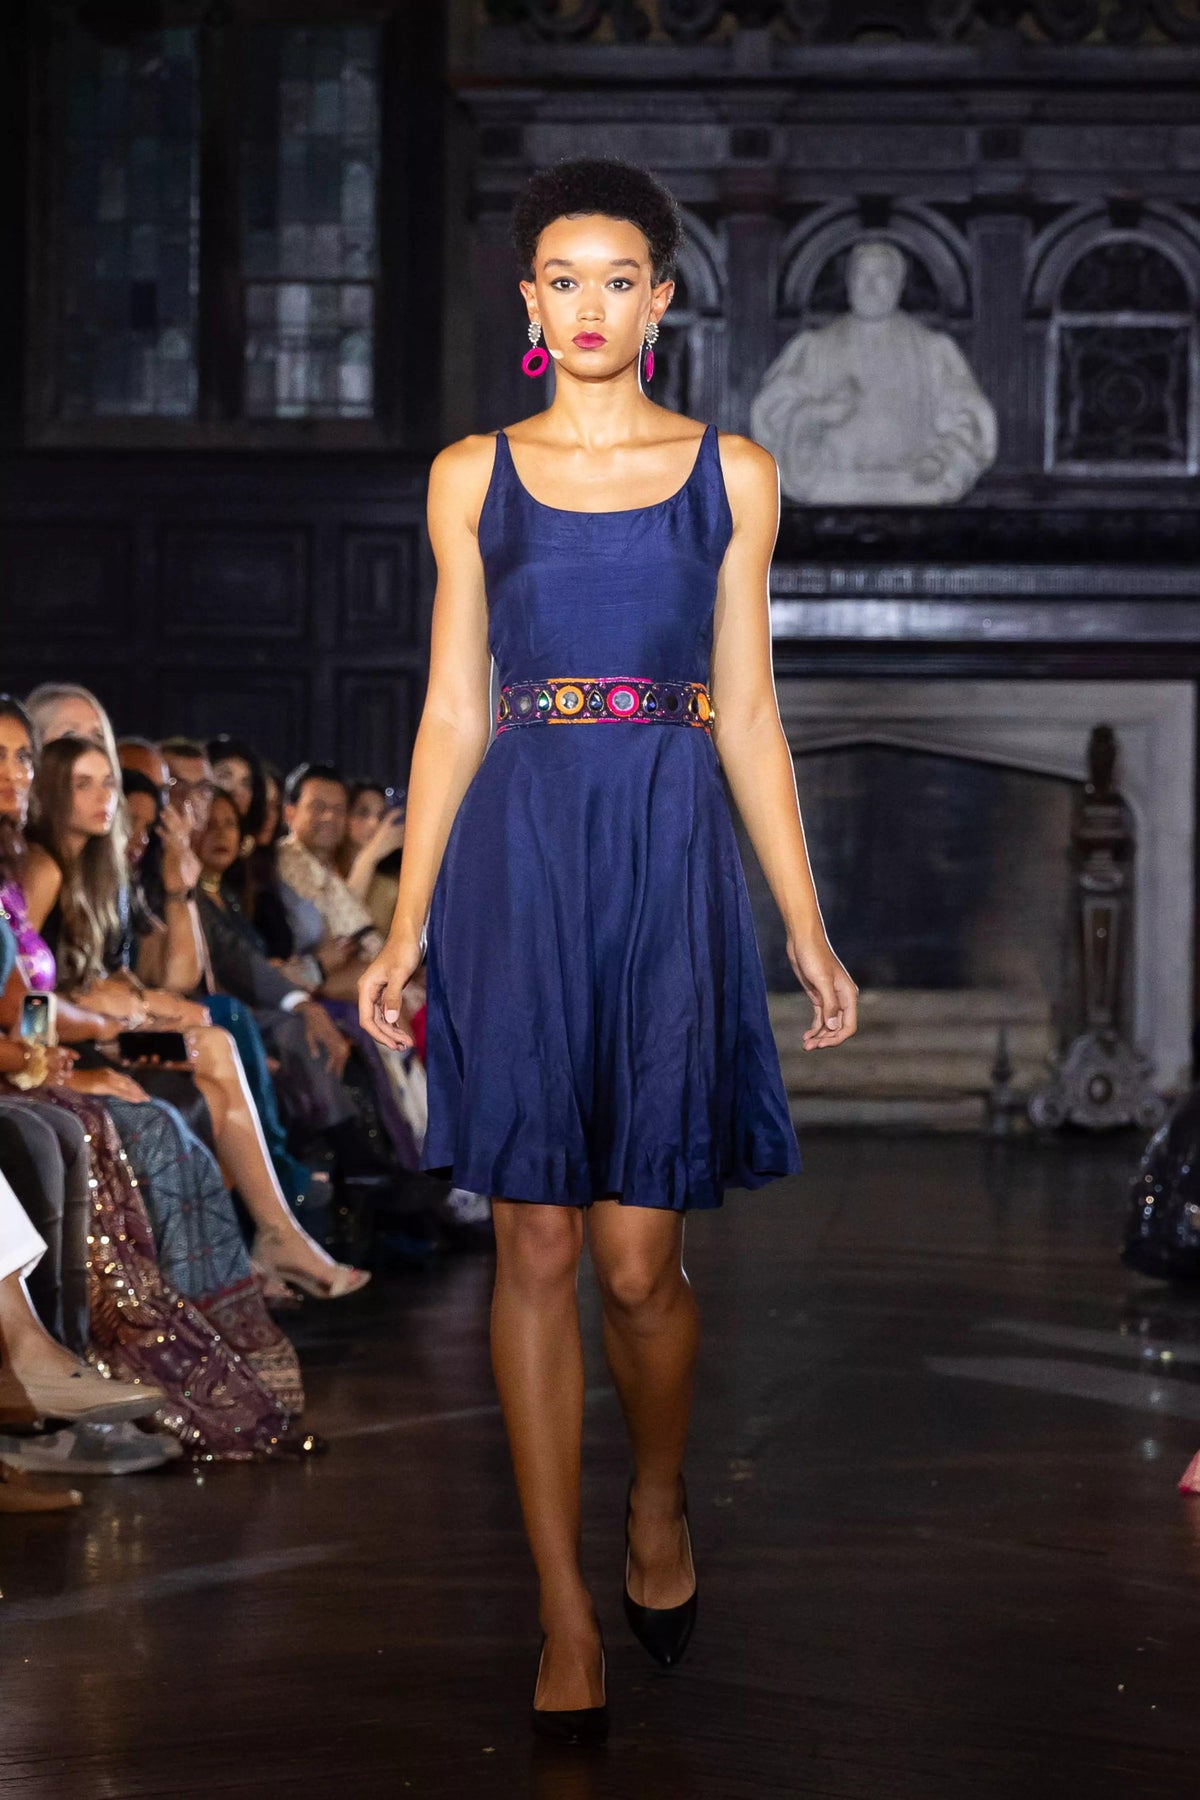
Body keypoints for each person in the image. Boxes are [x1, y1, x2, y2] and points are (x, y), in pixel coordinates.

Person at [358, 157, 858, 1742]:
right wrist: (404, 921)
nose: (589, 304)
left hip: (665, 846)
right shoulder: (469, 476)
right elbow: (452, 710)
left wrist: (807, 925)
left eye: (617, 278)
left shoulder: (734, 474)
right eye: (561, 278)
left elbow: (752, 715)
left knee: (642, 1264)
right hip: (518, 857)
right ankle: (563, 1613)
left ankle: (655, 1497)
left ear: (661, 299)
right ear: (531, 301)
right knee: (537, 1244)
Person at [338, 780, 407, 939]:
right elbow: (342, 923)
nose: (374, 823)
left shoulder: (392, 885)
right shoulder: (326, 871)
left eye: (381, 816)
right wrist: (370, 856)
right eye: (363, 813)